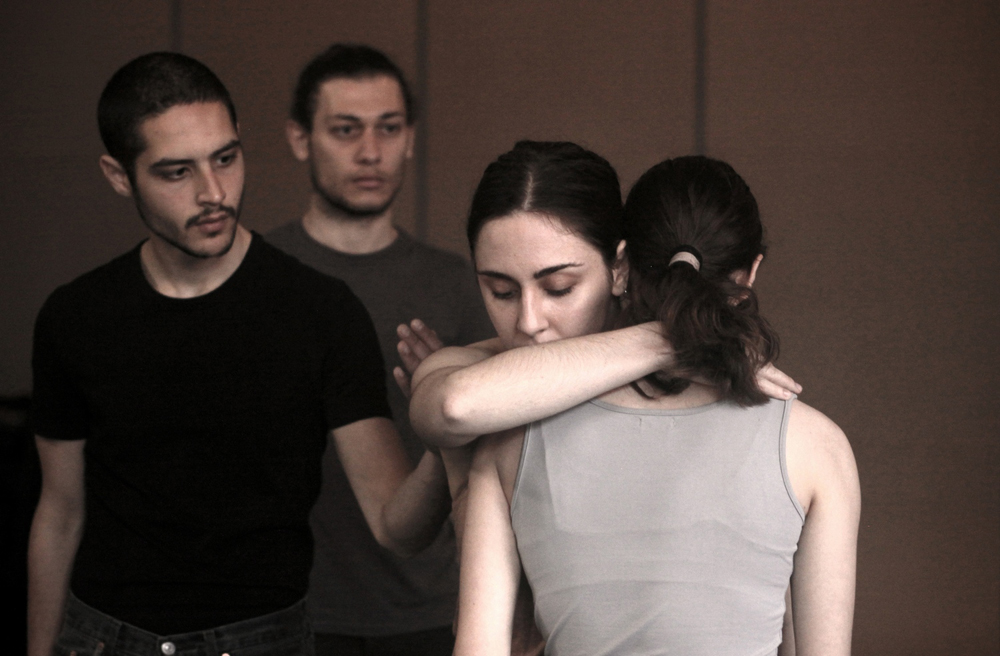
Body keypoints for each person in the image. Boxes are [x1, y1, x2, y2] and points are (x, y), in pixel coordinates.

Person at [27, 51, 451, 656]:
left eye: (225, 158)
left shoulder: (321, 311)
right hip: (103, 638)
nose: (213, 192)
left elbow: (395, 527)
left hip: (261, 640)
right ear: (120, 176)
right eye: (177, 172)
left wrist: (444, 442)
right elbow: (60, 513)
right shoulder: (75, 316)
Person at [408, 144, 858, 655]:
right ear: (748, 274)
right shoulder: (816, 446)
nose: (529, 322)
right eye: (502, 292)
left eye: (559, 287)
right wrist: (685, 335)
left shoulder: (508, 441)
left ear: (621, 267)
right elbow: (455, 407)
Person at [265, 43, 494, 656]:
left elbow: (497, 462)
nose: (371, 152)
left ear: (410, 138)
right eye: (346, 130)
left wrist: (444, 396)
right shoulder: (259, 276)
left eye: (388, 128)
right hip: (287, 607)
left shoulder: (457, 283)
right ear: (300, 138)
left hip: (429, 608)